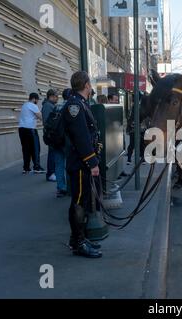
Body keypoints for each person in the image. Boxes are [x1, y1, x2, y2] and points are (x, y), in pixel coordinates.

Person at [63, 71, 103, 258]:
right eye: (90, 83)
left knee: (83, 200)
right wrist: (92, 162)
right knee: (78, 203)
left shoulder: (81, 103)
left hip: (82, 162)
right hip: (80, 163)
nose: (91, 86)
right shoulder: (75, 106)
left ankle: (78, 238)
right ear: (86, 85)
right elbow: (81, 138)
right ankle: (78, 243)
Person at [18, 93, 46, 174]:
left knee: (25, 149)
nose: (37, 101)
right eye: (37, 100)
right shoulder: (33, 105)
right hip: (30, 129)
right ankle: (37, 167)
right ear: (34, 99)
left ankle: (26, 168)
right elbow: (41, 117)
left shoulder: (24, 105)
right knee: (35, 148)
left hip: (21, 129)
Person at [41, 90, 59, 182]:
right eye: (56, 96)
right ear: (51, 96)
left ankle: (52, 173)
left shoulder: (49, 105)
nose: (57, 98)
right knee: (52, 153)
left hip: (51, 133)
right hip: (51, 134)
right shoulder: (48, 106)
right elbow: (48, 122)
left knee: (53, 153)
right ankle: (51, 173)